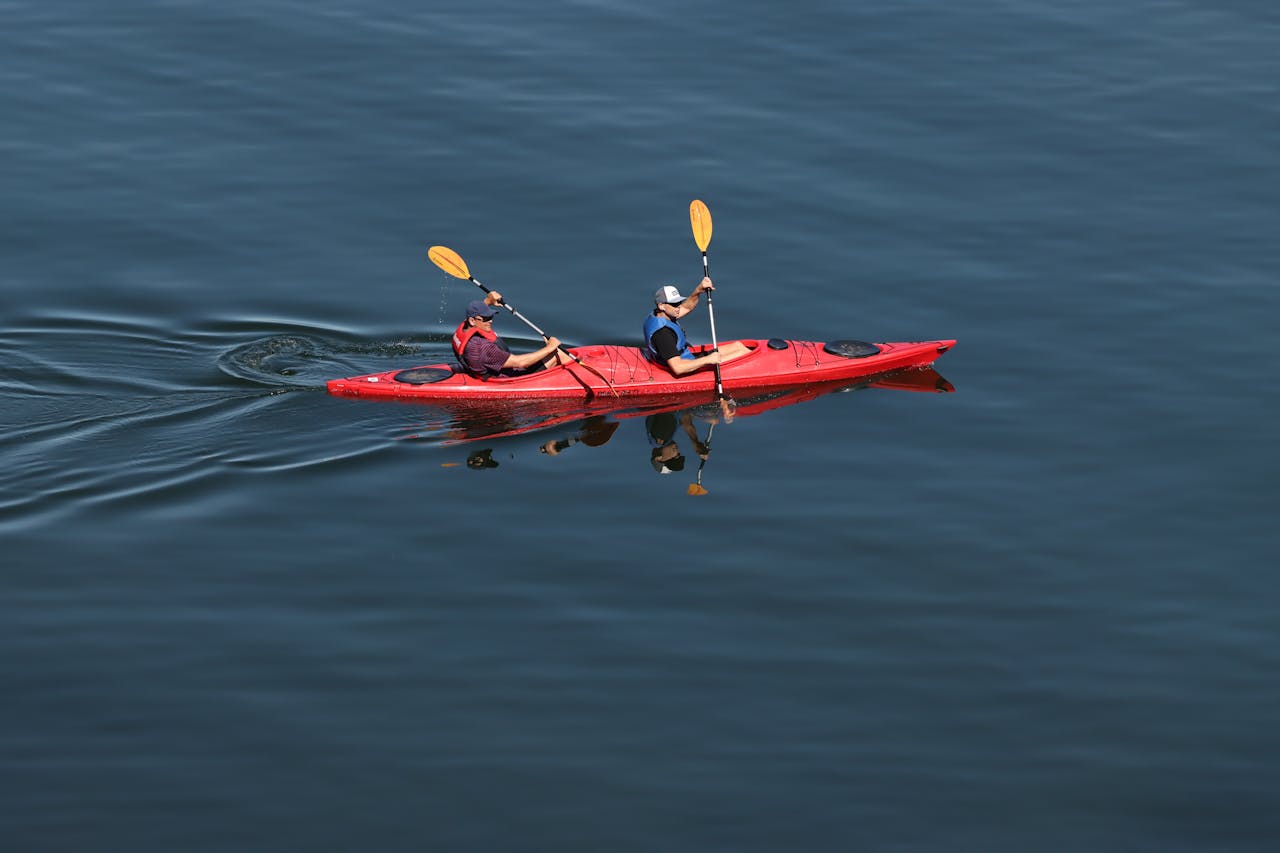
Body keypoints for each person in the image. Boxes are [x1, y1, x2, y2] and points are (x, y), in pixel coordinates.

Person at [642, 278, 751, 376]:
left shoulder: (661, 315)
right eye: (674, 304)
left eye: (679, 302)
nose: (679, 306)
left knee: (738, 346)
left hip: (686, 358)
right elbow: (678, 368)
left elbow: (687, 307)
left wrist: (698, 290)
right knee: (744, 354)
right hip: (685, 366)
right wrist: (707, 359)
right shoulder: (663, 334)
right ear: (662, 305)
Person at [452, 294, 571, 378]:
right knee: (558, 354)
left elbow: (475, 316)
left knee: (553, 352)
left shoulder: (463, 328)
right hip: (510, 378)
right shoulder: (483, 348)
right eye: (486, 318)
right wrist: (550, 347)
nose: (490, 321)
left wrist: (488, 301)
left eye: (491, 317)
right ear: (472, 321)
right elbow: (521, 363)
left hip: (484, 371)